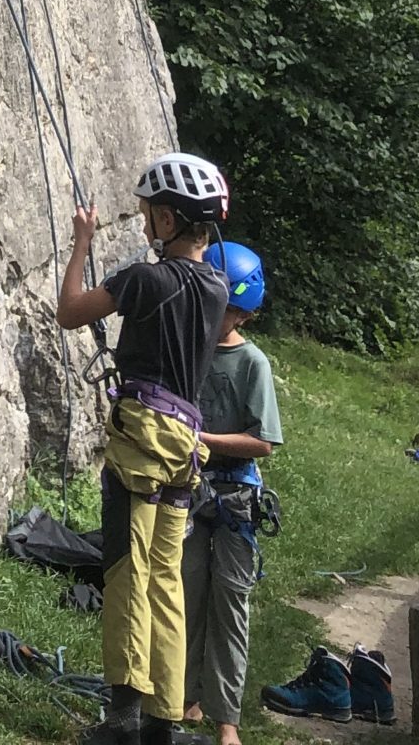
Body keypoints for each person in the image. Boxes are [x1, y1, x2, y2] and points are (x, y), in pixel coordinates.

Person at [59, 151, 232, 745]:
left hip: (142, 439)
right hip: (184, 444)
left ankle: (123, 720)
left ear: (167, 219)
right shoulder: (217, 287)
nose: (143, 222)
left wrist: (82, 242)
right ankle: (163, 720)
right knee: (166, 578)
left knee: (127, 571)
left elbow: (69, 312)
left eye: (148, 213)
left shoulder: (145, 280)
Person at [181, 241, 281, 743]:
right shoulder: (190, 351)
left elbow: (263, 441)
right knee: (187, 597)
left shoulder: (251, 364)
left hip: (235, 497)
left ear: (240, 313)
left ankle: (227, 721)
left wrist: (203, 439)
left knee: (229, 606)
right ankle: (185, 698)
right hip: (190, 490)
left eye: (219, 307)